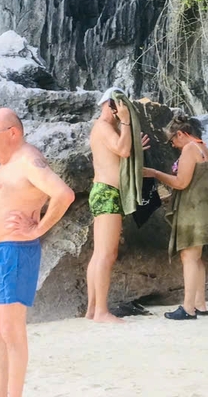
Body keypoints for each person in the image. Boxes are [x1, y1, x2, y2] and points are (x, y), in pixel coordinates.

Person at [0, 108, 75, 397]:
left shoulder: (29, 160)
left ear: (13, 133)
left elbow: (64, 194)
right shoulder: (6, 164)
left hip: (13, 252)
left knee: (10, 330)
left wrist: (37, 229)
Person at [144, 114, 208, 320]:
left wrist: (154, 173)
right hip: (207, 208)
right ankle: (200, 304)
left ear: (181, 134)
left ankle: (188, 308)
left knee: (188, 256)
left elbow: (181, 183)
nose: (174, 145)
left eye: (172, 140)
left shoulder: (189, 149)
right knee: (196, 257)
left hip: (193, 209)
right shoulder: (204, 148)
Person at [86, 88, 150, 323]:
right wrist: (125, 123)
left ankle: (93, 310)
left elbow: (120, 153)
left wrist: (135, 148)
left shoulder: (103, 129)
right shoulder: (104, 126)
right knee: (106, 253)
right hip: (108, 193)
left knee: (99, 254)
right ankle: (101, 311)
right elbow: (122, 149)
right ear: (112, 106)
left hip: (103, 193)